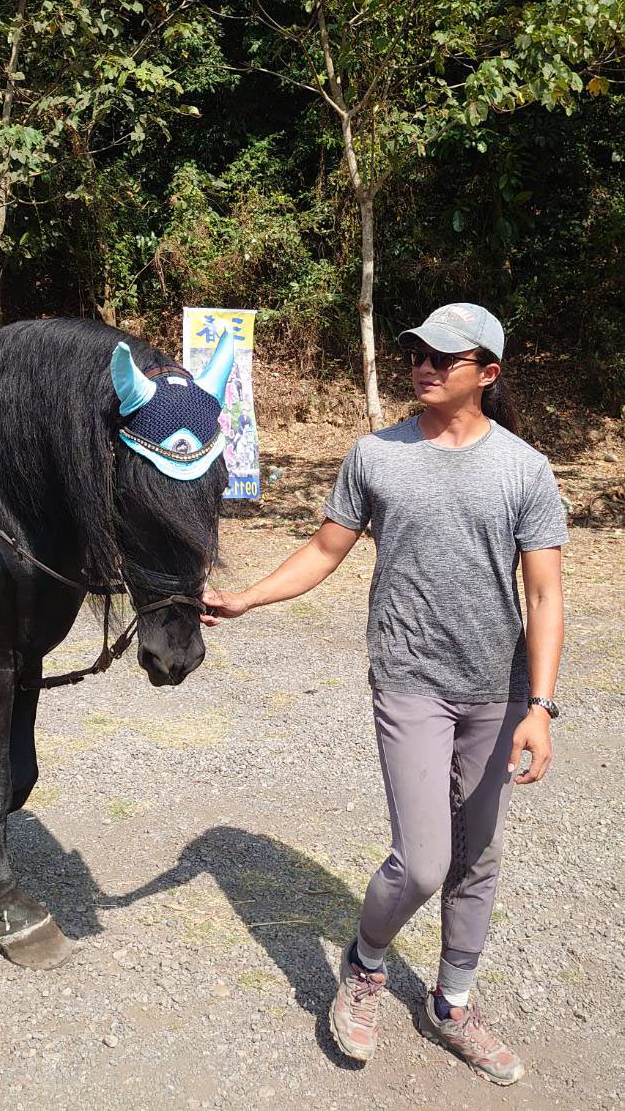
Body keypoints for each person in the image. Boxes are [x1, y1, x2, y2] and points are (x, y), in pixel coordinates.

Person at [205, 303, 566, 1086]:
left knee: (482, 856)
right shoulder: (375, 455)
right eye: (415, 351)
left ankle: (454, 1002)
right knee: (427, 859)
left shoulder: (524, 469)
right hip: (408, 678)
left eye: (445, 355)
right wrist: (249, 597)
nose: (424, 364)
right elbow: (323, 548)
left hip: (496, 691)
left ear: (488, 373)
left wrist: (540, 705)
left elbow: (544, 596)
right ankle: (366, 964)